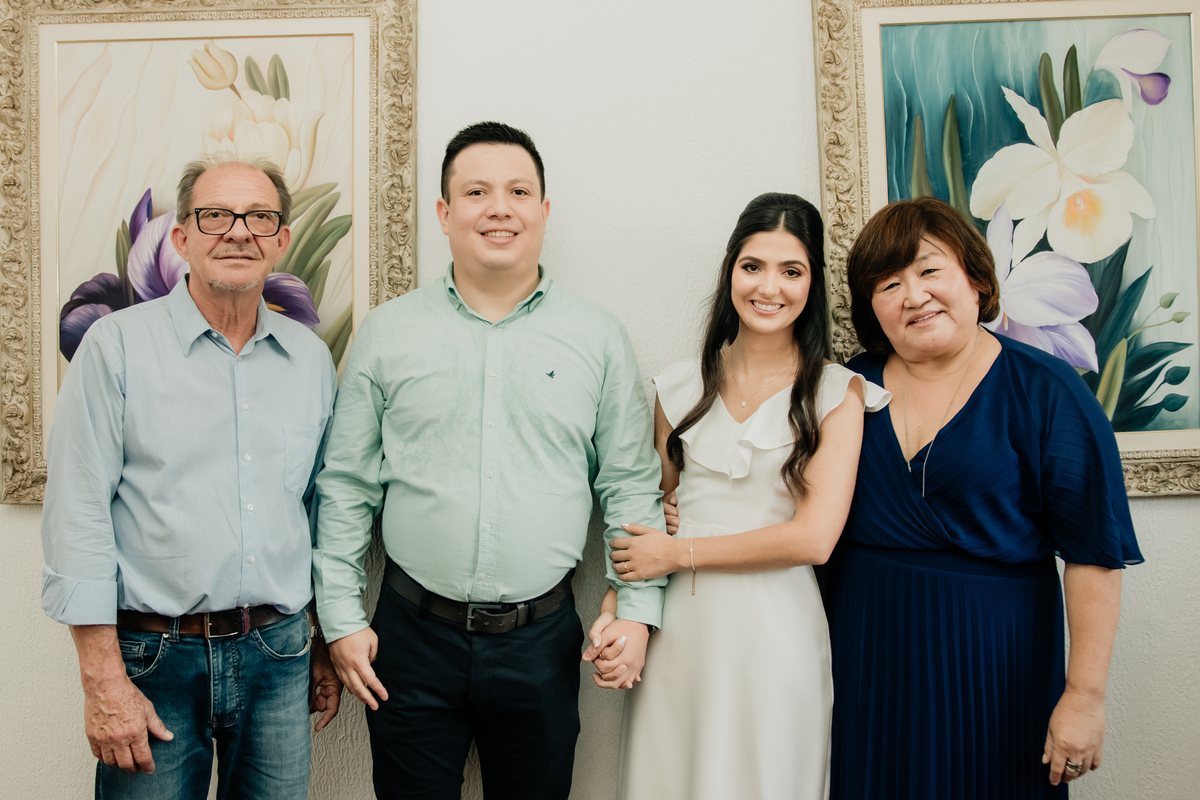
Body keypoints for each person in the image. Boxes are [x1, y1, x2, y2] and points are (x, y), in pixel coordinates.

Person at [312, 121, 666, 800]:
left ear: (544, 211)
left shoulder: (597, 337)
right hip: (409, 638)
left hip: (542, 641)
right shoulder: (388, 333)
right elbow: (347, 486)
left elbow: (629, 485)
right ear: (444, 213)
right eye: (476, 192)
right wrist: (341, 618)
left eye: (518, 191)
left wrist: (638, 609)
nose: (499, 208)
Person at [41, 158, 343, 799]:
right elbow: (77, 510)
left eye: (259, 217)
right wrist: (102, 679)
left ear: (281, 239)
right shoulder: (115, 346)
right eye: (215, 216)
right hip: (156, 660)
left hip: (279, 656)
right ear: (181, 238)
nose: (238, 231)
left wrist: (323, 640)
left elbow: (317, 510)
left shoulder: (311, 360)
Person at [824, 197, 1143, 798]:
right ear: (871, 307)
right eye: (888, 284)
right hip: (867, 659)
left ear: (975, 278)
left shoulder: (1048, 391)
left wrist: (1084, 698)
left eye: (929, 270)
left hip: (997, 662)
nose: (913, 295)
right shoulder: (844, 387)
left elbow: (1094, 556)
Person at [585, 193, 890, 800]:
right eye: (753, 266)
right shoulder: (679, 387)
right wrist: (617, 610)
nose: (768, 287)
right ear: (730, 271)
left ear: (812, 283)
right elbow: (651, 520)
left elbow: (814, 538)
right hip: (680, 636)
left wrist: (679, 553)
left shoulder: (837, 393)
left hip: (776, 634)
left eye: (791, 271)